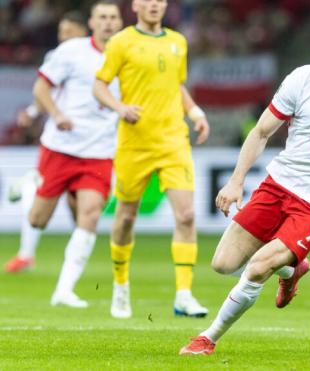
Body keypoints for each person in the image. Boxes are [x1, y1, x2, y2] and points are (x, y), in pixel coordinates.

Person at [180, 9, 310, 355]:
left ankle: (208, 338)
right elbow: (262, 131)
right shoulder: (302, 79)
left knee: (257, 266)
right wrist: (236, 182)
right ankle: (293, 269)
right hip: (278, 185)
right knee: (222, 264)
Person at [93, 0, 210, 319]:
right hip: (135, 144)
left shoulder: (177, 41)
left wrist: (195, 112)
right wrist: (119, 108)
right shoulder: (121, 42)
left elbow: (176, 86)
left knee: (186, 216)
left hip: (173, 141)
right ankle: (120, 287)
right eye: (149, 0)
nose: (155, 4)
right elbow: (99, 85)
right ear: (136, 5)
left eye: (160, 0)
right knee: (127, 217)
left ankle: (184, 294)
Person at [5, 1, 122, 308]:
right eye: (103, 17)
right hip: (61, 147)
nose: (108, 23)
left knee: (90, 215)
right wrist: (55, 115)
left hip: (99, 151)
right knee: (38, 219)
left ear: (120, 22)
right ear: (92, 24)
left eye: (113, 17)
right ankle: (32, 184)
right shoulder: (70, 52)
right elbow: (41, 89)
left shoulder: (129, 55)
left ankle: (64, 290)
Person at [4, 11, 89, 274]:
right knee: (41, 201)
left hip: (92, 143)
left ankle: (75, 262)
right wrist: (32, 112)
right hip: (60, 142)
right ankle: (26, 254)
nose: (62, 37)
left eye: (68, 32)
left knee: (82, 206)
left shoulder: (100, 57)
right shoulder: (58, 56)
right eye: (60, 32)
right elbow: (45, 89)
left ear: (83, 33)